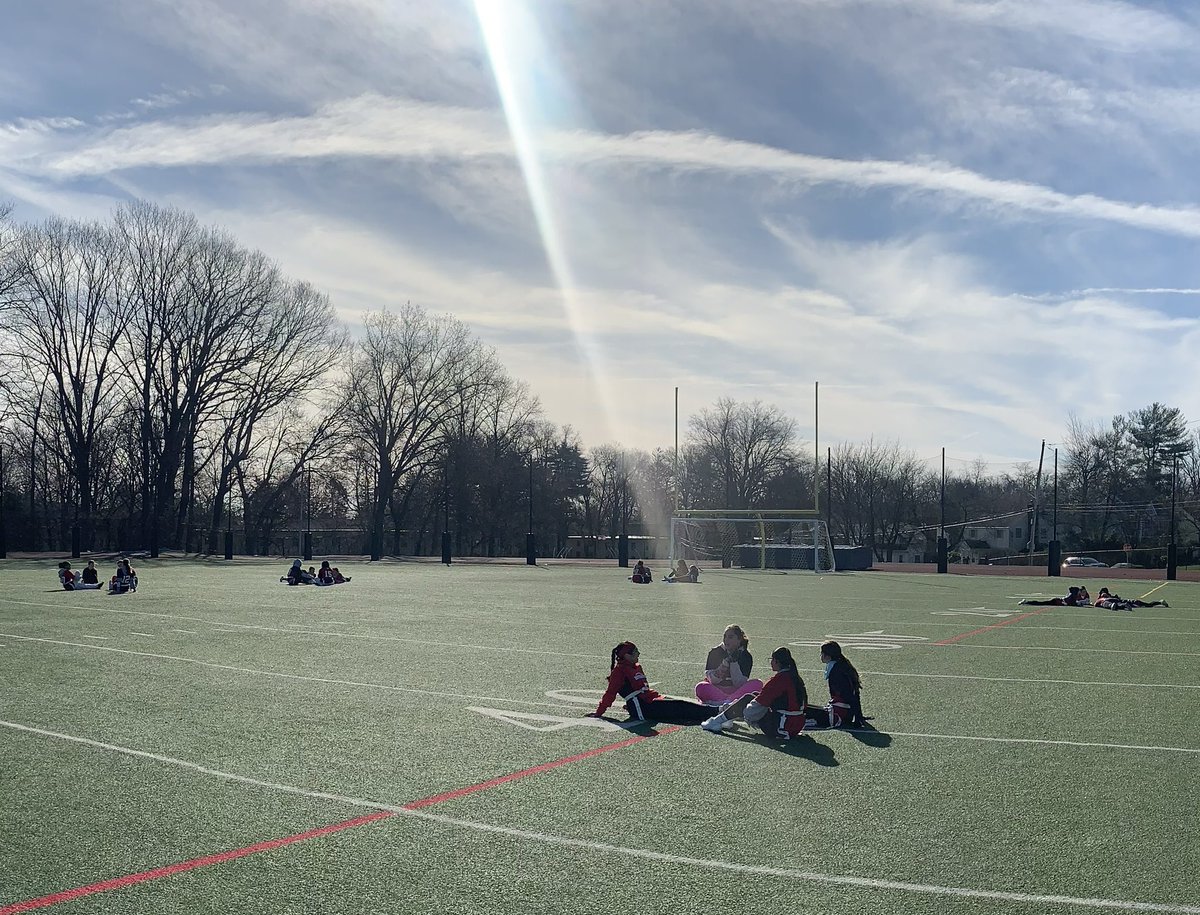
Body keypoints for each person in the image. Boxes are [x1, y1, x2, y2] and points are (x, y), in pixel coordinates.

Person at [701, 646, 817, 738]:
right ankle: (726, 715)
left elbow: (755, 708)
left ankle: (716, 721)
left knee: (747, 700)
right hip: (796, 724)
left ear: (776, 661)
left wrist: (742, 710)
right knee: (753, 696)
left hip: (783, 726)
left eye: (771, 660)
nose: (771, 663)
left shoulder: (779, 680)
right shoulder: (795, 677)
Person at [587, 641, 711, 725]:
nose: (638, 654)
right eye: (636, 652)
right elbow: (610, 693)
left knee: (678, 704)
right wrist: (599, 712)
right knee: (679, 707)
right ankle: (715, 712)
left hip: (648, 700)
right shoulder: (619, 672)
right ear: (627, 655)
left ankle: (714, 711)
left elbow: (643, 689)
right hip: (642, 707)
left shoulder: (636, 667)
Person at [696, 624, 764, 705]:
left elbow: (739, 683)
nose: (726, 640)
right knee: (700, 687)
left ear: (739, 640)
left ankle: (725, 702)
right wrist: (724, 666)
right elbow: (712, 680)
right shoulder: (715, 652)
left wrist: (733, 662)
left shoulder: (746, 656)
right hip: (716, 690)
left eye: (730, 637)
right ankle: (729, 703)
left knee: (758, 684)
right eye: (725, 637)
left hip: (736, 692)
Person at [820, 640, 867, 728]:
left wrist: (857, 717)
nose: (820, 656)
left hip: (843, 711)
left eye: (822, 653)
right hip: (844, 708)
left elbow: (849, 695)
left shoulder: (837, 671)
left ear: (828, 656)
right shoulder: (841, 665)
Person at [1094, 587, 1167, 610]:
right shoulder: (1110, 596)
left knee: (1117, 605)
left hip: (1114, 602)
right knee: (1147, 604)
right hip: (1121, 600)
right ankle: (1160, 602)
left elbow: (1095, 604)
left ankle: (1120, 605)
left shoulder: (1102, 598)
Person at [1020, 586, 1091, 607]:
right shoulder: (1074, 593)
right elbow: (1073, 603)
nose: (1084, 593)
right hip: (1057, 601)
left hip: (1058, 601)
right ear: (1080, 591)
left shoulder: (1075, 593)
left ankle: (1026, 602)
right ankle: (1026, 602)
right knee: (1041, 603)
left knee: (1041, 603)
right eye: (1083, 592)